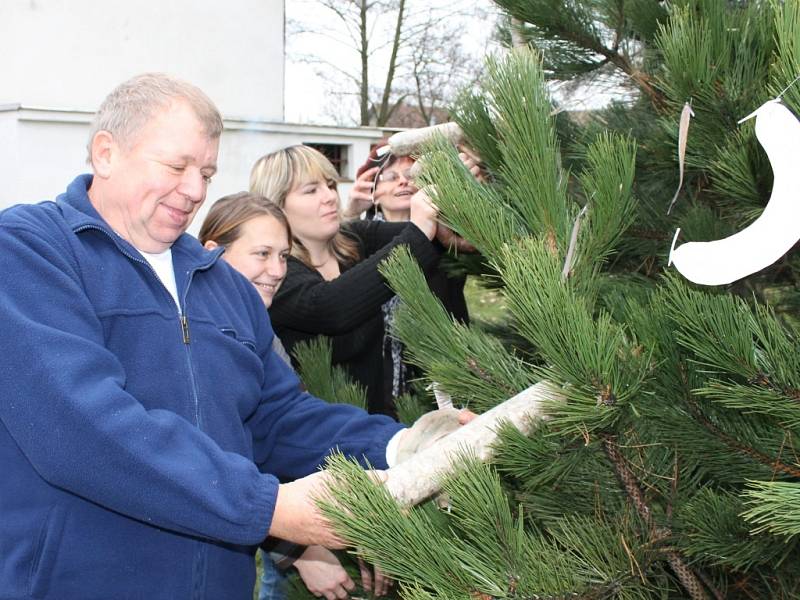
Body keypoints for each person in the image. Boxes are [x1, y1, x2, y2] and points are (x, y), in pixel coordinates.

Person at [0, 73, 408, 600]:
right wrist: (271, 509)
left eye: (207, 172)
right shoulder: (31, 251)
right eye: (176, 166)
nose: (195, 190)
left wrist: (402, 446)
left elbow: (277, 418)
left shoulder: (223, 284)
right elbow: (79, 424)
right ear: (106, 153)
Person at [199, 193, 390, 600]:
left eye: (284, 256)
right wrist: (298, 549)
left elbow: (293, 430)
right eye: (262, 253)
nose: (277, 271)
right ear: (213, 253)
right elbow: (227, 460)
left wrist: (403, 447)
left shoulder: (259, 335)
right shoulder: (200, 341)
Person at [250, 145, 446, 417]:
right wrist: (421, 230)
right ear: (277, 206)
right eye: (311, 190)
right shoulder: (275, 272)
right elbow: (330, 307)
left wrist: (453, 190)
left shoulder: (353, 239)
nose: (330, 197)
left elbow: (434, 238)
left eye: (330, 185)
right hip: (316, 437)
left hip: (377, 427)